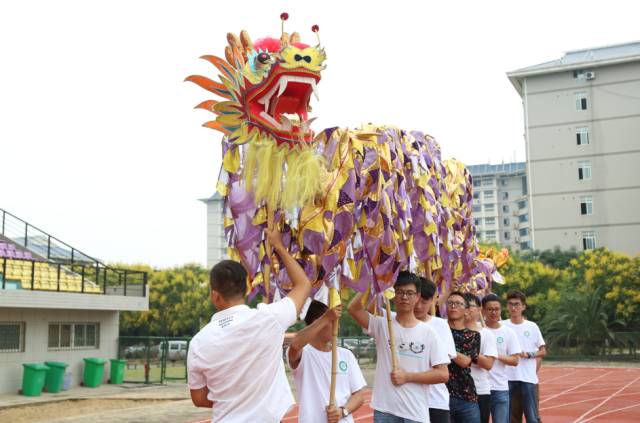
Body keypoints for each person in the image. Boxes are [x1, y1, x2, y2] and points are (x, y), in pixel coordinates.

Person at [187, 227, 311, 422]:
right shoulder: (269, 319)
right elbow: (303, 284)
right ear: (247, 289)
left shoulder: (198, 342)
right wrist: (278, 246)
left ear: (214, 295)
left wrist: (231, 400)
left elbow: (199, 398)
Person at [348, 271, 449, 423]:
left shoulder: (429, 333)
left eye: (409, 293)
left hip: (415, 413)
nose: (404, 297)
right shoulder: (382, 324)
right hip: (385, 410)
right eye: (399, 292)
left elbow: (443, 374)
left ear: (417, 296)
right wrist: (375, 280)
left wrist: (408, 377)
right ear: (392, 294)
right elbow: (353, 309)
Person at [288, 300, 367, 423]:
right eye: (333, 322)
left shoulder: (346, 355)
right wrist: (326, 317)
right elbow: (294, 345)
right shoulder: (303, 354)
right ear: (317, 322)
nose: (338, 327)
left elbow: (359, 395)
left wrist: (342, 412)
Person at [413, 277, 457, 423]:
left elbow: (443, 360)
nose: (418, 306)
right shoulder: (397, 323)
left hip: (435, 400)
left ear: (433, 300)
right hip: (408, 402)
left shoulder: (440, 325)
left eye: (424, 302)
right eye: (416, 300)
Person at [502, 290, 546, 423]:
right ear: (507, 306)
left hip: (528, 379)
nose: (513, 307)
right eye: (510, 304)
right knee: (512, 418)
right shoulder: (502, 325)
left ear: (523, 306)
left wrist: (529, 354)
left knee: (532, 418)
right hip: (507, 379)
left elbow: (543, 351)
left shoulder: (532, 326)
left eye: (517, 304)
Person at [482, 294, 521, 423]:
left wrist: (495, 354)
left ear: (501, 310)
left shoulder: (508, 332)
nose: (493, 312)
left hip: (499, 387)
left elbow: (515, 360)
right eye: (490, 309)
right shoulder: (477, 330)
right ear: (483, 310)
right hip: (480, 387)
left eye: (496, 309)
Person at [445, 291, 481, 423]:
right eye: (450, 303)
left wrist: (444, 348)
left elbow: (465, 361)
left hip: (466, 396)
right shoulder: (437, 330)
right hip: (440, 396)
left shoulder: (473, 335)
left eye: (458, 303)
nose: (453, 306)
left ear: (466, 310)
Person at [463, 293, 498, 423]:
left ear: (479, 309)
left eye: (469, 306)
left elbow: (488, 364)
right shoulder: (449, 331)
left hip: (479, 390)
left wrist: (468, 351)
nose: (466, 309)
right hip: (454, 392)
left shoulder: (486, 334)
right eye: (463, 305)